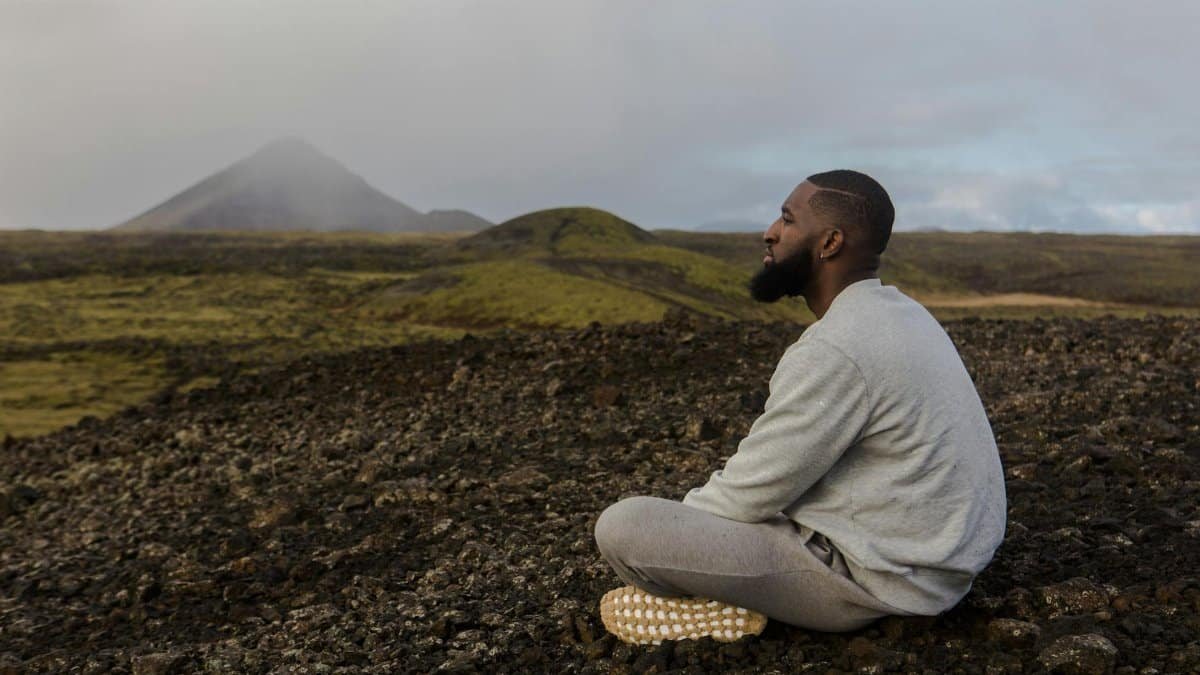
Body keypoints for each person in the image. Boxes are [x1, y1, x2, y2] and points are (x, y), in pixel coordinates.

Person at [594, 170, 1007, 644]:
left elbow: (745, 496)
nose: (770, 231)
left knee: (624, 528)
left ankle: (723, 609)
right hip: (942, 565)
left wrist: (681, 539)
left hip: (878, 582)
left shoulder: (837, 348)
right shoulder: (904, 314)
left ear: (829, 242)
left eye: (788, 221)